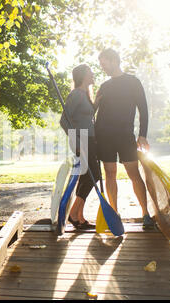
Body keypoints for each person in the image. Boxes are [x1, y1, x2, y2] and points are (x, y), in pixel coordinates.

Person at [95, 48, 155, 229]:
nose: (103, 68)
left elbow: (143, 109)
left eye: (104, 64)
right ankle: (114, 213)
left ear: (114, 60)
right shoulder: (104, 87)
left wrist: (142, 134)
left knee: (133, 173)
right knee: (110, 174)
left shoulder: (133, 82)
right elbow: (94, 113)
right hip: (104, 136)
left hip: (125, 135)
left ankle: (145, 214)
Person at [60, 64, 101, 230]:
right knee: (94, 174)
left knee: (86, 176)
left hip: (90, 140)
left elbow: (88, 115)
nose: (93, 74)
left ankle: (79, 216)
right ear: (84, 75)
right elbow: (64, 120)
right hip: (81, 140)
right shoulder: (76, 94)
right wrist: (76, 142)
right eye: (91, 72)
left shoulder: (85, 95)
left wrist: (97, 102)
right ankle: (73, 213)